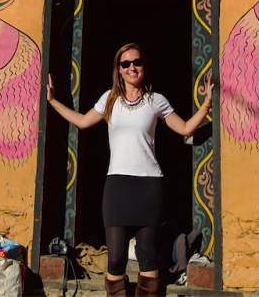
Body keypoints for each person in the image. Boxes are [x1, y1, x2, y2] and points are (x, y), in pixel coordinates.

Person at [46, 43, 214, 297]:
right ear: (119, 70)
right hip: (117, 186)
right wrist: (53, 101)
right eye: (125, 64)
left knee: (148, 258)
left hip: (150, 186)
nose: (132, 67)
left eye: (136, 62)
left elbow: (185, 129)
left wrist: (206, 106)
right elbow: (82, 122)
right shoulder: (109, 100)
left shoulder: (156, 101)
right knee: (115, 260)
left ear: (144, 67)